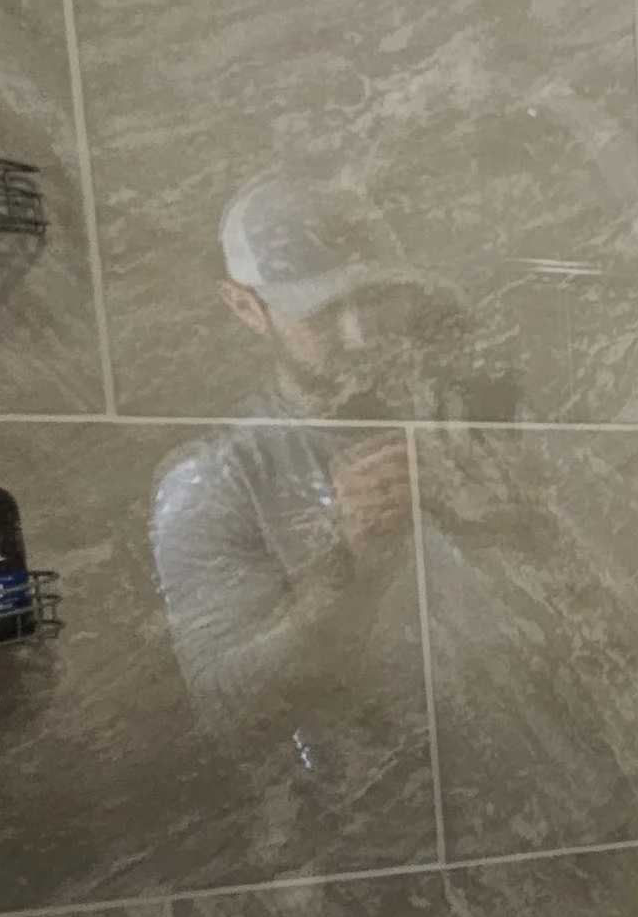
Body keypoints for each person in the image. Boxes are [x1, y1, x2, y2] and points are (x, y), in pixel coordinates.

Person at [149, 175, 485, 812]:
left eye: (375, 298)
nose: (361, 335)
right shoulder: (212, 479)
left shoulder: (469, 418)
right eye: (322, 311)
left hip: (551, 803)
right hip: (372, 829)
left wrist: (533, 534)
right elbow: (229, 719)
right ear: (245, 307)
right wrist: (355, 572)